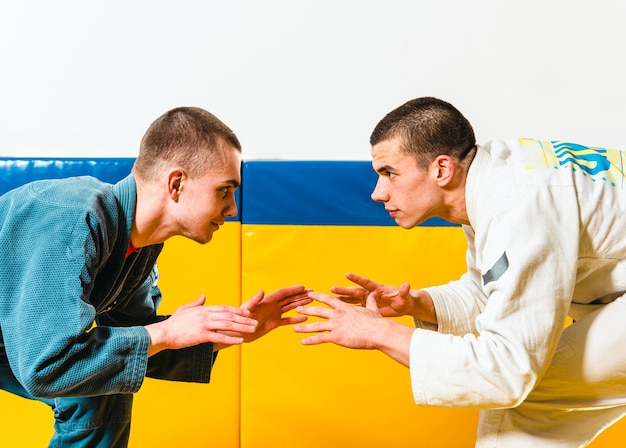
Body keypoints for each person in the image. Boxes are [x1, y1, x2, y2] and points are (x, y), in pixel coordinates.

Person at [294, 96, 626, 447]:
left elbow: (508, 369)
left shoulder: (517, 203)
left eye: (389, 173)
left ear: (441, 169)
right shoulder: (496, 177)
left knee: (528, 404)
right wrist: (419, 305)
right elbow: (496, 290)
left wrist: (380, 333)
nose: (378, 193)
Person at [0, 106, 311, 447]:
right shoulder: (75, 218)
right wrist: (167, 331)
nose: (233, 208)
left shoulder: (139, 247)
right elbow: (46, 365)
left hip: (13, 344)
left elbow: (134, 341)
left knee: (101, 386)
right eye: (224, 190)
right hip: (23, 348)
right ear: (176, 183)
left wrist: (221, 332)